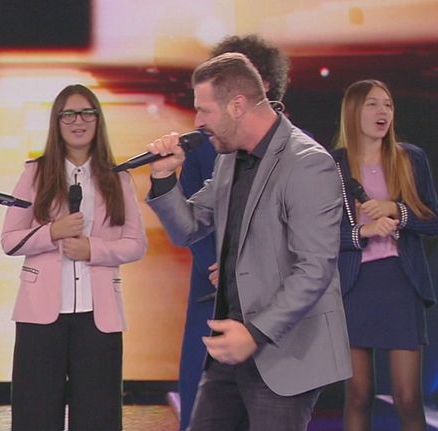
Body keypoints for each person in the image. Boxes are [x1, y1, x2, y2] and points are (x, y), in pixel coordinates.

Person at [145, 53, 351, 430]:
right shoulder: (229, 158)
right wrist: (162, 177)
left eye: (204, 110)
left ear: (237, 105)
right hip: (232, 347)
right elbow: (187, 228)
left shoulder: (307, 163)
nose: (198, 122)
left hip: (285, 350)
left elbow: (315, 269)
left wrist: (254, 333)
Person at [1, 84, 147, 431]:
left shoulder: (117, 177)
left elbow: (136, 243)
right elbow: (10, 241)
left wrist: (93, 249)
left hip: (99, 318)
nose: (77, 121)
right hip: (40, 317)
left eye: (86, 113)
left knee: (98, 416)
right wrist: (53, 232)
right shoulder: (35, 173)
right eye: (68, 114)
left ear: (98, 120)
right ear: (57, 122)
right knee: (36, 415)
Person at [176, 34, 290, 430]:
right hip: (210, 291)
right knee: (203, 397)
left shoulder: (297, 150)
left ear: (264, 85)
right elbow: (190, 219)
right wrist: (217, 266)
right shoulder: (202, 146)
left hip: (270, 299)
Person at [332, 80, 438, 431]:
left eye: (388, 105)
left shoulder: (410, 158)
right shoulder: (332, 165)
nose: (383, 112)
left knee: (407, 398)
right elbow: (317, 236)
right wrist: (361, 232)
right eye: (372, 104)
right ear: (353, 111)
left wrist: (397, 209)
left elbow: (433, 222)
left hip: (400, 283)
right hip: (353, 287)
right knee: (358, 395)